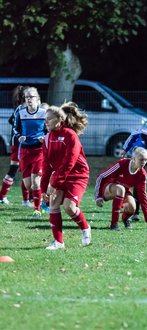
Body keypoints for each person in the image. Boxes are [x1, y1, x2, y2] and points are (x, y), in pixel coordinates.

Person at [41, 102, 91, 250]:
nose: (46, 122)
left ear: (59, 120)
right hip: (61, 176)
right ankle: (58, 242)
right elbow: (46, 166)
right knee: (54, 204)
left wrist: (54, 184)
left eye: (49, 119)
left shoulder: (70, 135)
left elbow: (69, 162)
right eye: (45, 120)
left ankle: (85, 228)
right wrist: (44, 189)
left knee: (69, 207)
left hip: (78, 175)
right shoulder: (47, 139)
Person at [95, 147, 147, 230]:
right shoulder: (122, 163)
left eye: (146, 160)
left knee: (132, 207)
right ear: (133, 158)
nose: (144, 162)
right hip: (108, 188)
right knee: (121, 189)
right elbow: (102, 177)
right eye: (141, 159)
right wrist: (98, 196)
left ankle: (125, 219)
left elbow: (142, 195)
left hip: (123, 191)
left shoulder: (142, 174)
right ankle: (114, 224)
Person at [13, 87, 47, 217]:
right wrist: (19, 136)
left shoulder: (44, 113)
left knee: (35, 183)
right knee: (28, 185)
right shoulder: (20, 113)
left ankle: (37, 209)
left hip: (39, 150)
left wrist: (44, 138)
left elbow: (49, 130)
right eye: (27, 97)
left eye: (31, 97)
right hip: (25, 151)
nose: (29, 99)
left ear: (38, 99)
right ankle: (42, 199)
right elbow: (15, 129)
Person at [0, 85, 33, 206]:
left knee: (21, 170)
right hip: (20, 143)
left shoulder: (22, 108)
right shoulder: (23, 109)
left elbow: (11, 120)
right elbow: (12, 121)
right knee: (21, 170)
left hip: (19, 142)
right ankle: (25, 200)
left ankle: (4, 196)